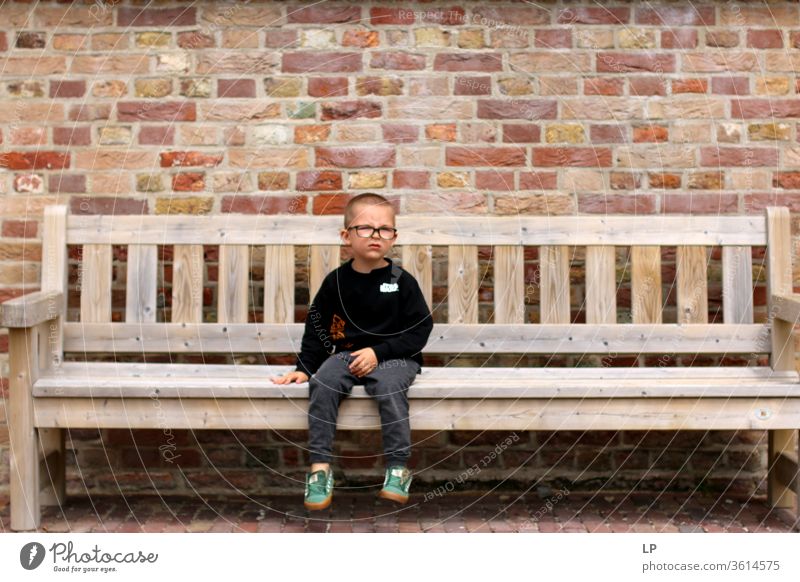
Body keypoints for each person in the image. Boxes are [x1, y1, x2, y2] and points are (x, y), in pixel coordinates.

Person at [272, 193, 434, 511]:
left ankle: (398, 470)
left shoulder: (402, 282)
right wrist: (304, 368)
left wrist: (379, 351)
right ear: (346, 236)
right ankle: (320, 470)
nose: (376, 236)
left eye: (384, 229)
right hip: (346, 355)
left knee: (389, 386)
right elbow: (317, 327)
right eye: (365, 228)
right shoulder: (336, 282)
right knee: (324, 381)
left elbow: (420, 331)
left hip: (395, 358)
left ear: (394, 237)